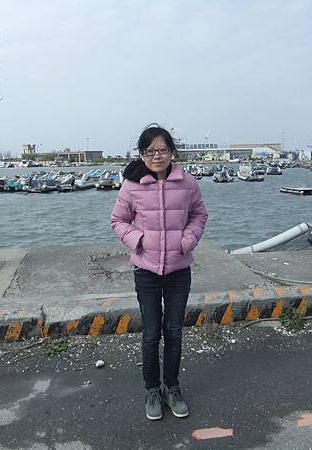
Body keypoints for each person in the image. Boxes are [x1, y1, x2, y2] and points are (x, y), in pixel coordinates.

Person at [110, 124, 208, 421]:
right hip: (146, 270)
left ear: (171, 152)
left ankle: (172, 388)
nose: (157, 156)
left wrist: (186, 241)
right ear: (142, 154)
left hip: (179, 270)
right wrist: (138, 240)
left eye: (162, 150)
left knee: (174, 332)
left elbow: (199, 215)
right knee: (152, 333)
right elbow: (118, 220)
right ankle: (152, 390)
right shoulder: (132, 185)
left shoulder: (187, 183)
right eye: (150, 151)